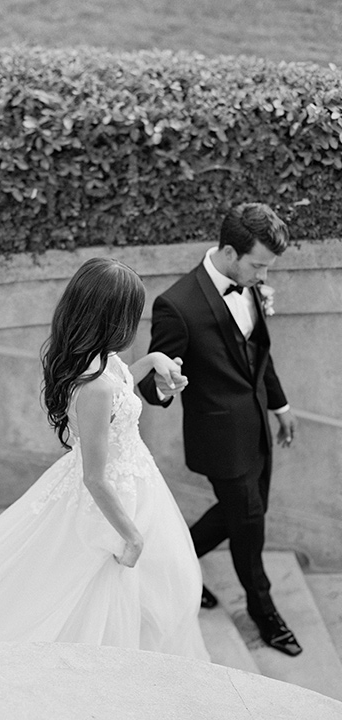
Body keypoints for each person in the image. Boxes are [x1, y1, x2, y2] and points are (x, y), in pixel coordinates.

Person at [0, 258, 209, 661]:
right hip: (110, 503)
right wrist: (131, 536)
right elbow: (95, 478)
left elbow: (121, 385)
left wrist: (154, 362)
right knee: (96, 602)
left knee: (153, 597)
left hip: (135, 483)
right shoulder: (93, 387)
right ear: (114, 319)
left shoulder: (99, 360)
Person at [138, 203, 302, 657]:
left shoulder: (249, 284)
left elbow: (256, 356)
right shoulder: (178, 304)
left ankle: (176, 564)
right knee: (249, 527)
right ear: (230, 252)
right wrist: (165, 384)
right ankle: (263, 611)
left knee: (248, 512)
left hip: (257, 428)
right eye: (259, 264)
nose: (264, 274)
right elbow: (153, 386)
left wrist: (280, 404)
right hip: (219, 440)